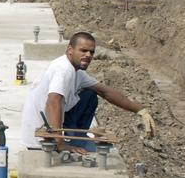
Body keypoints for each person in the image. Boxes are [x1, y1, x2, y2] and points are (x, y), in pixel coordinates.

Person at [21, 31, 155, 153]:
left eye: (91, 52)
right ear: (70, 50)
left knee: (90, 94)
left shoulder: (76, 70)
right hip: (40, 137)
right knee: (96, 152)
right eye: (83, 50)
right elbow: (53, 101)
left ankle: (77, 138)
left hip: (51, 127)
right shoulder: (63, 70)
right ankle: (67, 141)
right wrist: (60, 143)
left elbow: (104, 91)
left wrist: (140, 110)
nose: (88, 55)